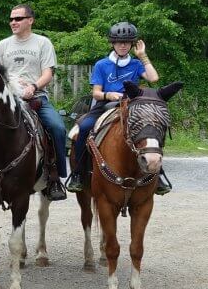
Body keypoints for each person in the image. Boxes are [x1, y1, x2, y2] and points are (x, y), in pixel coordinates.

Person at [0, 4, 67, 201]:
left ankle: (55, 177)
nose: (13, 22)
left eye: (18, 19)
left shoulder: (43, 43)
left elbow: (48, 73)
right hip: (7, 99)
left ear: (30, 20)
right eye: (11, 19)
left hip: (35, 97)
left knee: (57, 127)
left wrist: (33, 87)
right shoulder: (3, 45)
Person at [65, 21, 171, 195]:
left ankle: (157, 174)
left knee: (152, 127)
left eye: (127, 42)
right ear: (113, 43)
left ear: (131, 44)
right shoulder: (102, 65)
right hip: (105, 105)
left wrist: (143, 56)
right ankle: (78, 174)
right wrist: (109, 95)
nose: (123, 45)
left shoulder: (136, 64)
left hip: (131, 106)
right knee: (83, 127)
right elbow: (96, 93)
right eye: (119, 42)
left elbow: (153, 79)